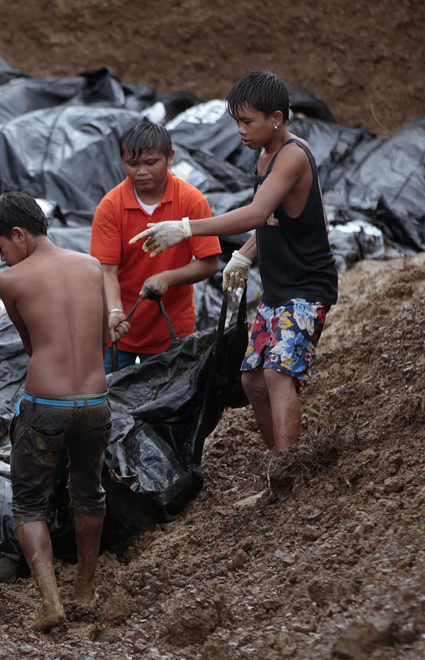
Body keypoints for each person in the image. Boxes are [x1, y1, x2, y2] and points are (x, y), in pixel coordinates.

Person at [127, 70, 338, 451]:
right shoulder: (264, 157)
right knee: (252, 380)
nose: (239, 130)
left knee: (276, 374)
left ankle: (287, 468)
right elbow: (277, 218)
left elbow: (257, 213)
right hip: (278, 288)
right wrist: (244, 254)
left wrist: (188, 228)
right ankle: (281, 460)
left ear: (276, 118)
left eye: (247, 121)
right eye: (236, 121)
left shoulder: (292, 157)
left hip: (307, 285)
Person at [0, 191, 112, 632]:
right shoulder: (91, 266)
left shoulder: (11, 281)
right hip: (95, 403)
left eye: (1, 248)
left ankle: (51, 603)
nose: (3, 258)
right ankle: (86, 592)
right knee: (88, 492)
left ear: (18, 234)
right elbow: (100, 339)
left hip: (46, 407)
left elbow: (30, 343)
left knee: (30, 504)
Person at [91, 120, 221, 372]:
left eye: (150, 163)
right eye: (132, 164)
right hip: (121, 326)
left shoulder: (190, 200)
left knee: (169, 402)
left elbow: (209, 263)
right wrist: (114, 310)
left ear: (170, 157)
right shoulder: (111, 206)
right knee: (110, 400)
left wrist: (167, 278)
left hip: (172, 327)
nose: (141, 171)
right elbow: (107, 270)